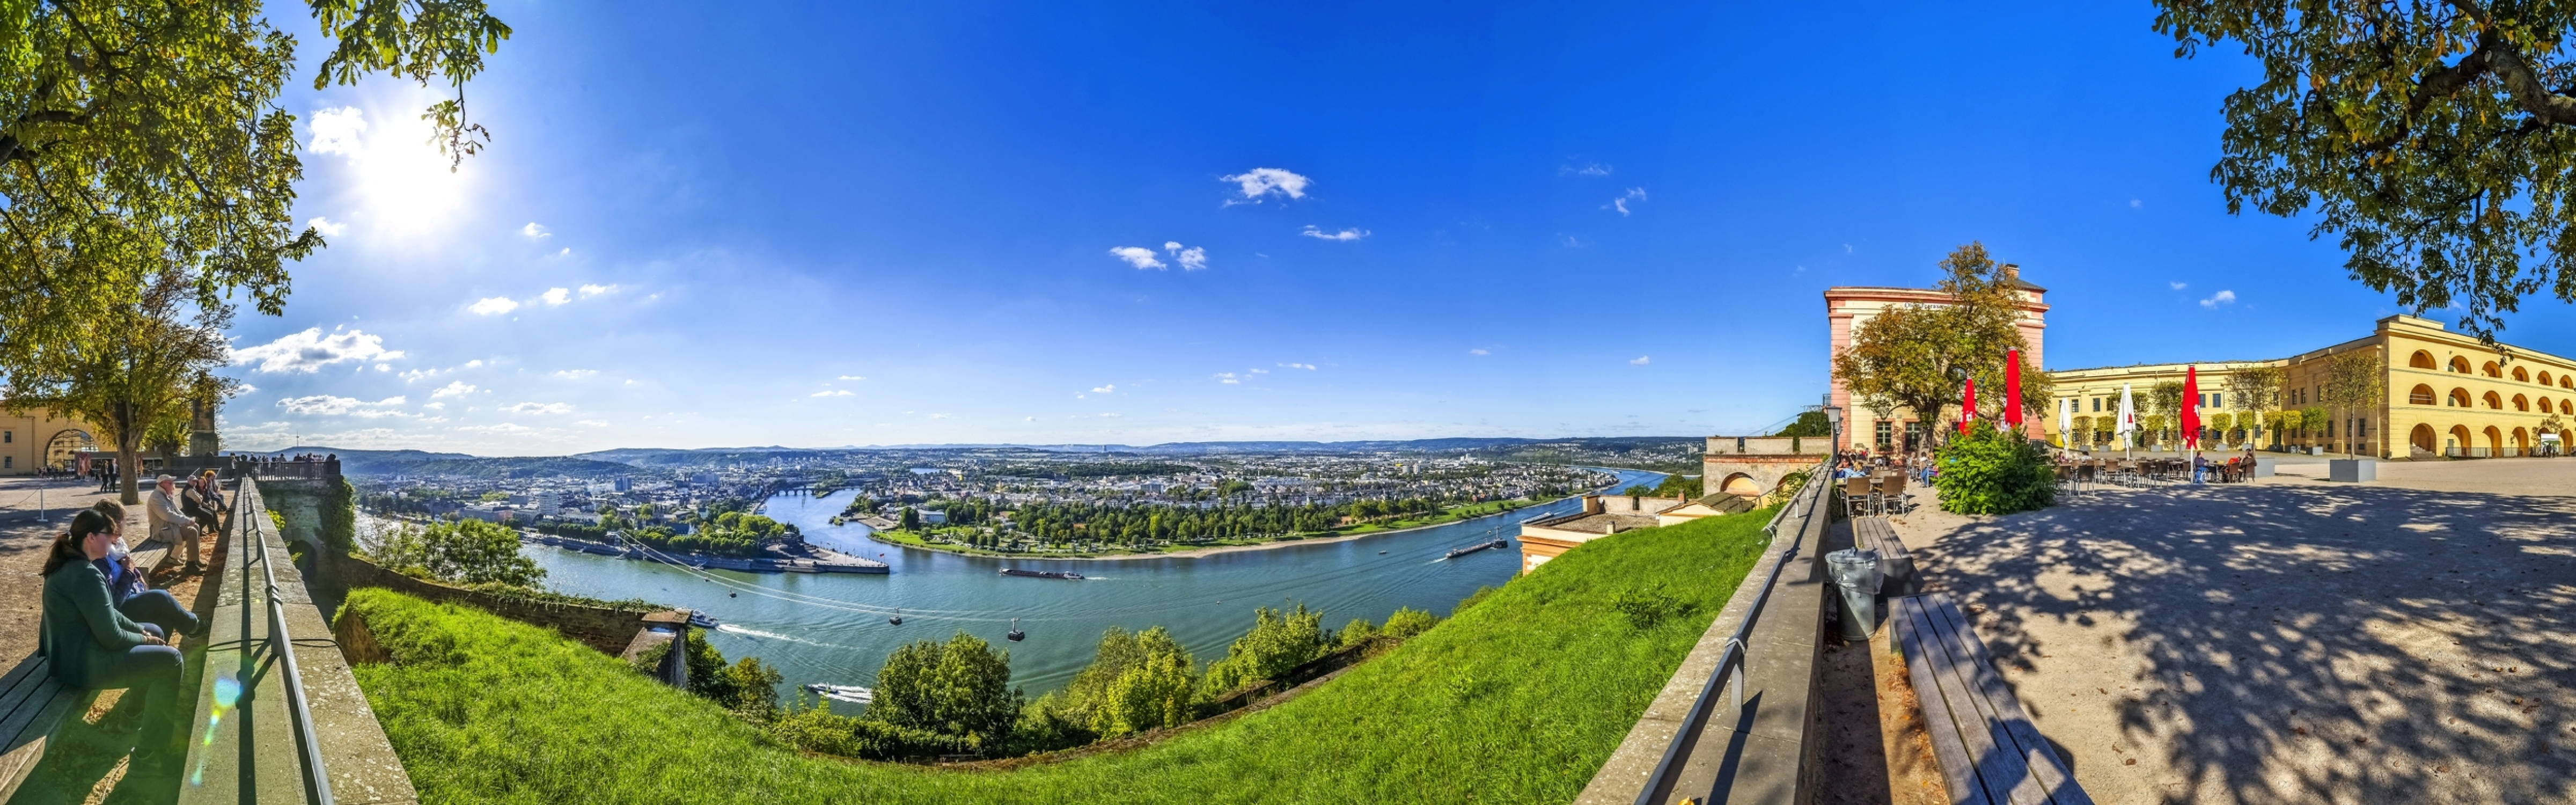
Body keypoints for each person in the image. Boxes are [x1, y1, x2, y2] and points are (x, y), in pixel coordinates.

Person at [39, 509, 184, 771]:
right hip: (82, 665)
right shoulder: (86, 574)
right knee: (172, 661)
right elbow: (112, 636)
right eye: (109, 535)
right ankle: (149, 756)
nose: (114, 541)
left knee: (156, 631)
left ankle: (133, 715)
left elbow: (112, 614)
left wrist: (145, 634)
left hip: (72, 654)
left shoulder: (71, 565)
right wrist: (145, 641)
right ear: (92, 537)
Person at [85, 501, 200, 638]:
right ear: (115, 523)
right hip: (122, 608)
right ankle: (193, 625)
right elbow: (114, 602)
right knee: (161, 598)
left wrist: (137, 574)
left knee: (165, 622)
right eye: (123, 520)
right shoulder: (101, 553)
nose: (125, 524)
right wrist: (129, 573)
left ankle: (159, 656)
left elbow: (128, 564)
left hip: (131, 595)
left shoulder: (117, 545)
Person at [145, 475, 203, 574]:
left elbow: (177, 512)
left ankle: (195, 560)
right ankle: (190, 565)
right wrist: (186, 521)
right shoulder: (156, 497)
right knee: (191, 532)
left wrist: (187, 520)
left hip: (169, 527)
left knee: (196, 526)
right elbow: (167, 516)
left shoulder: (165, 494)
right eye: (171, 483)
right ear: (163, 484)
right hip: (161, 531)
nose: (174, 485)